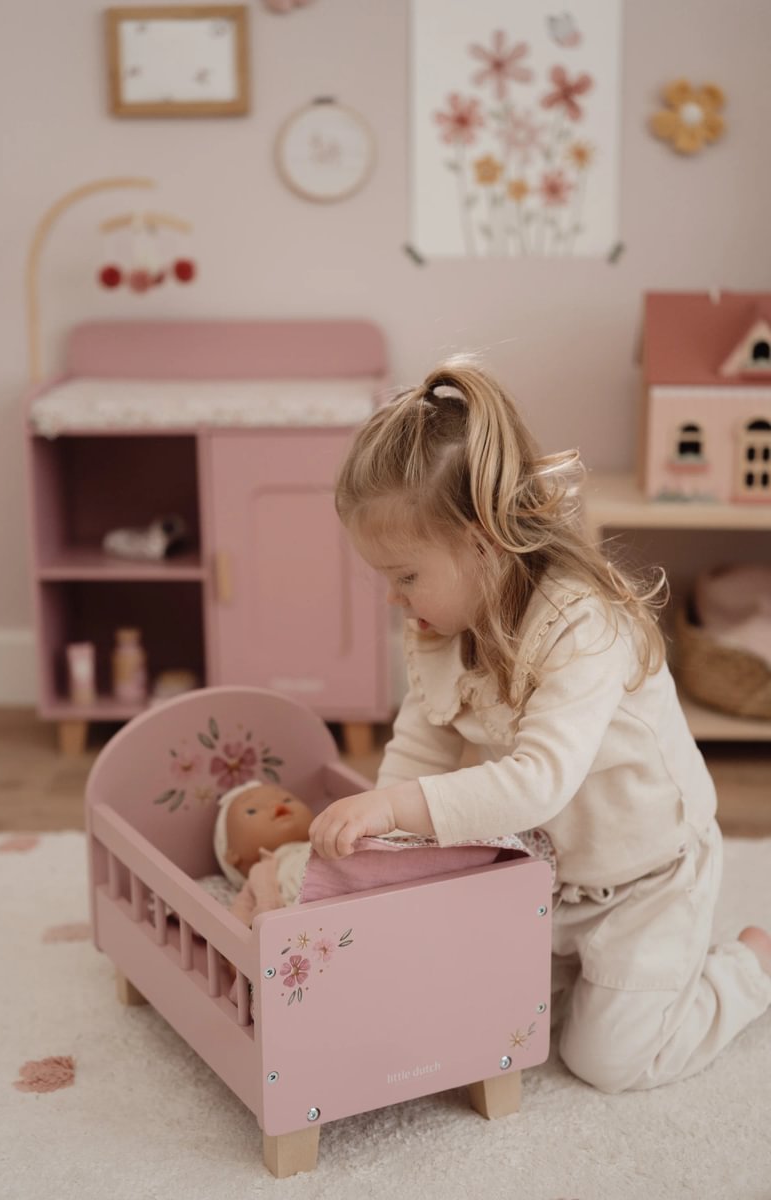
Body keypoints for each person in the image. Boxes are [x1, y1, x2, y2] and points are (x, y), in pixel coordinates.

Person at [308, 358, 771, 1093]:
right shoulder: (440, 623)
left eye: (404, 575)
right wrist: (385, 848)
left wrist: (398, 808)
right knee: (489, 1014)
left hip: (646, 877)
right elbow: (423, 739)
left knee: (608, 1061)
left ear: (483, 544)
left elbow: (538, 784)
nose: (393, 599)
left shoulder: (581, 625)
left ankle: (746, 967)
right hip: (552, 879)